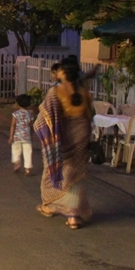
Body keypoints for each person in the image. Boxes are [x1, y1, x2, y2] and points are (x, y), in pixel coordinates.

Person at [35, 55, 93, 229]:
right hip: (82, 134)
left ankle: (52, 206)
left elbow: (45, 117)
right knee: (75, 174)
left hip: (64, 137)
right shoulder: (83, 91)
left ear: (63, 72)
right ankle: (73, 216)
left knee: (58, 173)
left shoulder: (55, 92)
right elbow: (90, 114)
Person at [9, 94, 35, 176]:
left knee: (16, 150)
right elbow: (31, 125)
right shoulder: (30, 113)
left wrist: (10, 137)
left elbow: (13, 125)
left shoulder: (15, 114)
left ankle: (17, 163)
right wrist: (31, 134)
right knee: (28, 152)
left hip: (17, 136)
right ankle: (27, 169)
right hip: (26, 136)